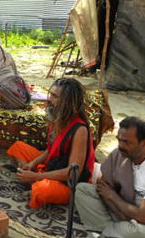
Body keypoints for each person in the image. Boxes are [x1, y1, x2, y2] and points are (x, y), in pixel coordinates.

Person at [75, 117, 145, 238]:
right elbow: (103, 186)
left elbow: (144, 217)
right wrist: (118, 209)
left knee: (140, 237)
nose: (120, 145)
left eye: (126, 142)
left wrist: (113, 196)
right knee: (82, 191)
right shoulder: (121, 153)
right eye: (118, 140)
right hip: (121, 209)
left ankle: (110, 230)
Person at [6, 78, 96, 209]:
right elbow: (53, 149)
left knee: (42, 190)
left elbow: (72, 173)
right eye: (51, 94)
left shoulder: (80, 130)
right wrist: (33, 164)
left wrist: (37, 176)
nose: (49, 99)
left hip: (70, 183)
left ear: (67, 102)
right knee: (17, 147)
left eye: (55, 96)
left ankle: (36, 183)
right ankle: (34, 180)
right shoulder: (58, 117)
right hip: (54, 165)